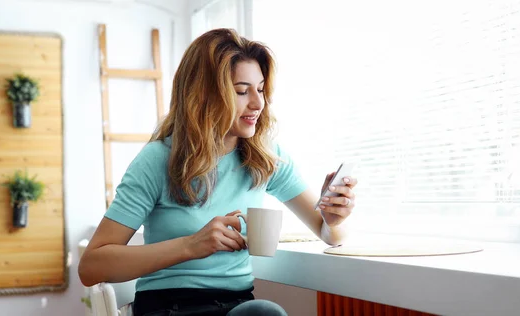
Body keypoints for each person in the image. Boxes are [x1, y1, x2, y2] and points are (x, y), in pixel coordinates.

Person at [78, 28, 358, 316]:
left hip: (238, 306)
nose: (258, 103)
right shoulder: (158, 159)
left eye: (260, 89)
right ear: (203, 94)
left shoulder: (264, 156)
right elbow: (91, 267)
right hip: (169, 307)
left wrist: (333, 218)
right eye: (241, 91)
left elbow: (331, 234)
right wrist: (191, 245)